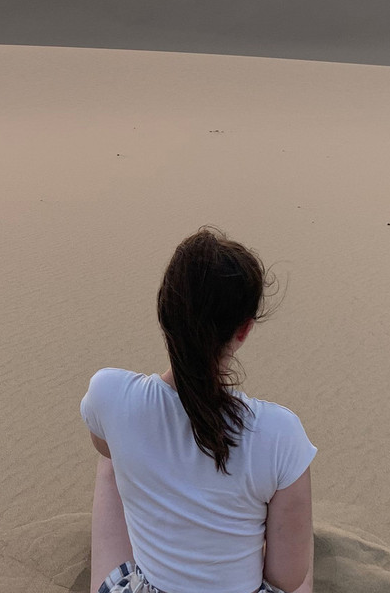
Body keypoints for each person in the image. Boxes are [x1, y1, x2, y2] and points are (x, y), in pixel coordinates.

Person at [81, 228, 315, 593]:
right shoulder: (280, 434)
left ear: (163, 314)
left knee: (112, 459)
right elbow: (285, 578)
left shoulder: (109, 394)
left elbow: (104, 447)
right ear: (244, 331)